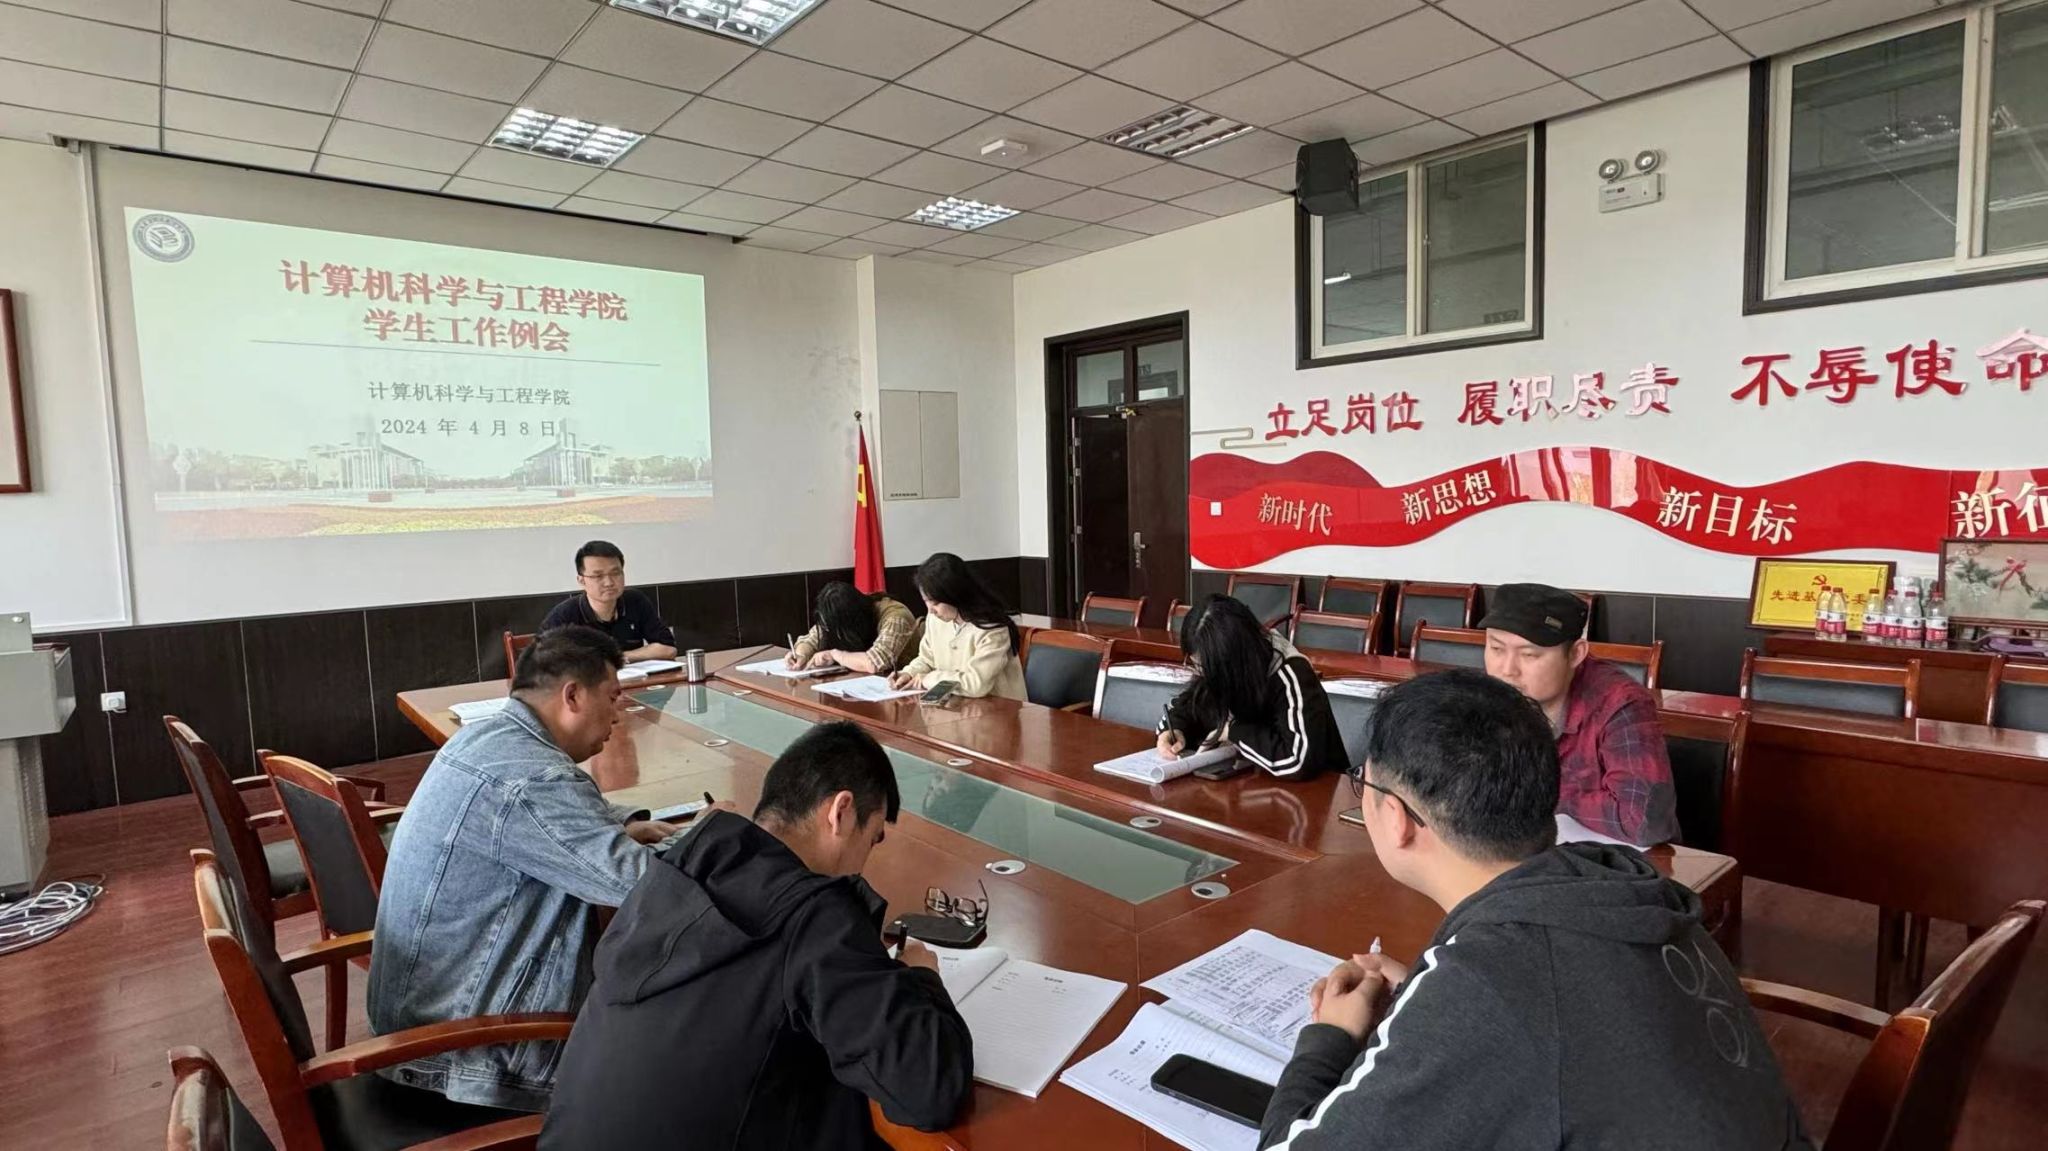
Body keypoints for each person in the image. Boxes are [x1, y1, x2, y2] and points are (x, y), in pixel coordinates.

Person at [1259, 670, 1811, 1151]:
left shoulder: (1487, 982)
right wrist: (1426, 1006)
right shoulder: (1623, 888)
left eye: (1365, 784)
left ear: (1397, 819)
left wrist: (1331, 1036)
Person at [540, 721, 973, 1150]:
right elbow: (929, 1091)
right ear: (840, 812)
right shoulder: (815, 917)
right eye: (873, 838)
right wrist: (921, 979)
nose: (864, 863)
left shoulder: (679, 869)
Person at [368, 626, 681, 1111]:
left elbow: (544, 817)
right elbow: (645, 886)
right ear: (572, 696)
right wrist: (714, 834)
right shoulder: (534, 778)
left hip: (420, 1021)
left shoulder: (489, 737)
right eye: (613, 698)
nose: (618, 715)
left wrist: (623, 824)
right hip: (464, 1055)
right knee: (692, 1045)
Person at [1480, 582, 1678, 846]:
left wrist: (1541, 793)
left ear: (1575, 654)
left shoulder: (1620, 704)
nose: (1507, 670)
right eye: (1496, 649)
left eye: (1529, 655)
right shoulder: (1487, 693)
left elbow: (1644, 822)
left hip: (1613, 862)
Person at [1156, 594, 1347, 780]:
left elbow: (1299, 760)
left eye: (1203, 666)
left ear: (1232, 661)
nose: (1200, 673)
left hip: (1318, 791)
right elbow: (1192, 704)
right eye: (1195, 664)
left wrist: (1233, 731)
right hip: (1253, 783)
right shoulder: (1217, 668)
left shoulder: (1291, 673)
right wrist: (1175, 729)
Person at [887, 552, 1026, 700]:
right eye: (926, 601)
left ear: (954, 595)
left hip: (999, 708)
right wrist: (909, 673)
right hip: (957, 704)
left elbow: (976, 684)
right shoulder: (935, 620)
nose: (930, 610)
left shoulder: (992, 628)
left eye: (936, 603)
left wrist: (929, 679)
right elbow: (927, 659)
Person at [541, 539, 676, 662]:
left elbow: (668, 649)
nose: (609, 582)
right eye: (598, 576)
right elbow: (544, 662)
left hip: (633, 680)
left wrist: (620, 657)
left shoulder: (635, 601)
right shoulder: (564, 615)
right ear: (582, 581)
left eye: (615, 573)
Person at [786, 580, 923, 675]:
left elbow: (876, 662)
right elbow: (811, 639)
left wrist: (835, 655)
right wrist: (801, 654)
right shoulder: (838, 614)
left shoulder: (895, 616)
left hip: (901, 689)